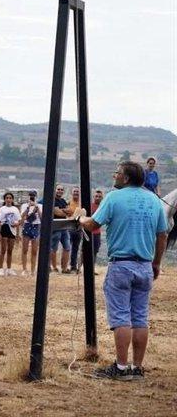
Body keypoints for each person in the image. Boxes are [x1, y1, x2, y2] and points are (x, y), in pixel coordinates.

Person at [79, 162, 168, 381]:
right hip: (145, 266)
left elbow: (92, 224)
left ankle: (120, 367)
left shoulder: (113, 197)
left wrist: (80, 216)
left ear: (126, 178)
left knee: (121, 318)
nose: (114, 175)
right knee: (140, 318)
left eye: (117, 172)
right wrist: (156, 263)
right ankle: (136, 368)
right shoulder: (154, 200)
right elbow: (162, 234)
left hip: (121, 265)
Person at [43, 185, 71, 273]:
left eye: (61, 190)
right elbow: (58, 212)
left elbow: (69, 211)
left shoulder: (63, 201)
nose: (60, 191)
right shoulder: (52, 201)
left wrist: (62, 211)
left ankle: (64, 268)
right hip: (55, 227)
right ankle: (54, 267)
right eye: (58, 189)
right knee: (53, 248)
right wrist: (64, 211)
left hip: (64, 227)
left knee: (67, 247)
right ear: (55, 190)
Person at [0, 192, 21, 276]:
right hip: (5, 228)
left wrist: (17, 234)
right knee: (3, 250)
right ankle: (0, 268)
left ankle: (9, 268)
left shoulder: (15, 209)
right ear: (4, 199)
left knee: (10, 250)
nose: (8, 199)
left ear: (12, 199)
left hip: (12, 229)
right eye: (7, 198)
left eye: (10, 198)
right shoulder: (2, 209)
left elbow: (19, 221)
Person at [20, 190, 41, 276]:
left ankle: (33, 269)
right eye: (31, 195)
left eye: (33, 195)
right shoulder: (24, 205)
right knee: (25, 249)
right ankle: (24, 269)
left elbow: (42, 217)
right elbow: (22, 216)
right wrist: (28, 207)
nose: (32, 197)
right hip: (27, 225)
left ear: (36, 196)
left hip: (36, 226)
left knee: (34, 250)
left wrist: (37, 207)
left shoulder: (39, 205)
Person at [67, 187, 83, 273]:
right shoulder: (68, 203)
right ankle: (66, 266)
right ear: (71, 193)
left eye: (77, 191)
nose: (76, 193)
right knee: (67, 247)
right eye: (74, 191)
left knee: (75, 248)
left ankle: (73, 266)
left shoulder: (81, 203)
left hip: (79, 228)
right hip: (69, 228)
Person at [90, 189, 104, 261]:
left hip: (97, 233)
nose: (97, 198)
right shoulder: (90, 206)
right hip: (88, 231)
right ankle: (79, 268)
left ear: (102, 198)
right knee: (84, 250)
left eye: (99, 196)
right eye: (96, 196)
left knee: (95, 251)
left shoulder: (103, 207)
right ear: (93, 197)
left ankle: (93, 268)